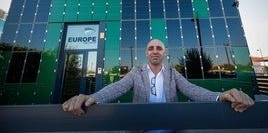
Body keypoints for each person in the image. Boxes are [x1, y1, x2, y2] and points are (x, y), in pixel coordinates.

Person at [62, 39, 254, 117]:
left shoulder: (173, 74)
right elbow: (117, 87)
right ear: (146, 52)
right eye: (151, 48)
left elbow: (192, 90)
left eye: (159, 48)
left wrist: (220, 95)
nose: (155, 51)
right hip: (141, 126)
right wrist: (92, 97)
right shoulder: (136, 72)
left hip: (171, 126)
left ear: (165, 53)